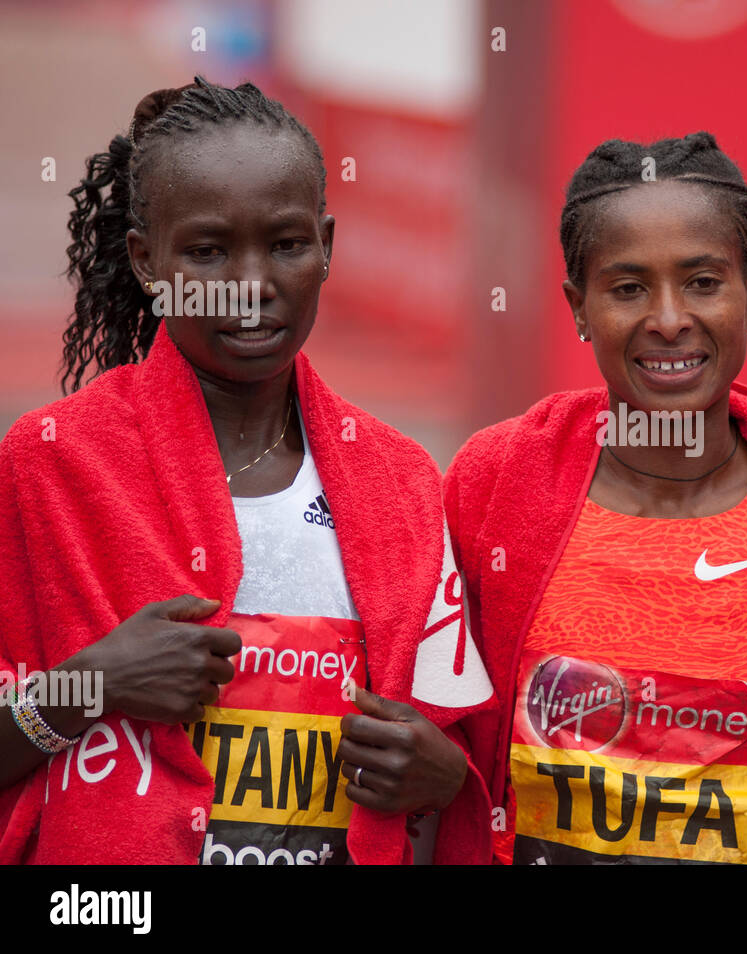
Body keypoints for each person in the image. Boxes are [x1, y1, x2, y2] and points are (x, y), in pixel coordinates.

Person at [0, 78, 496, 864]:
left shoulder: (400, 480)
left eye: (287, 244)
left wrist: (443, 777)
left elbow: (458, 759)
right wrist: (93, 682)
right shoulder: (52, 461)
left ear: (327, 245)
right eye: (206, 251)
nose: (253, 285)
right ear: (145, 259)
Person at [445, 133, 747, 865]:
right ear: (578, 306)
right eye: (627, 289)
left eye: (704, 282)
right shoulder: (493, 483)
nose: (670, 318)